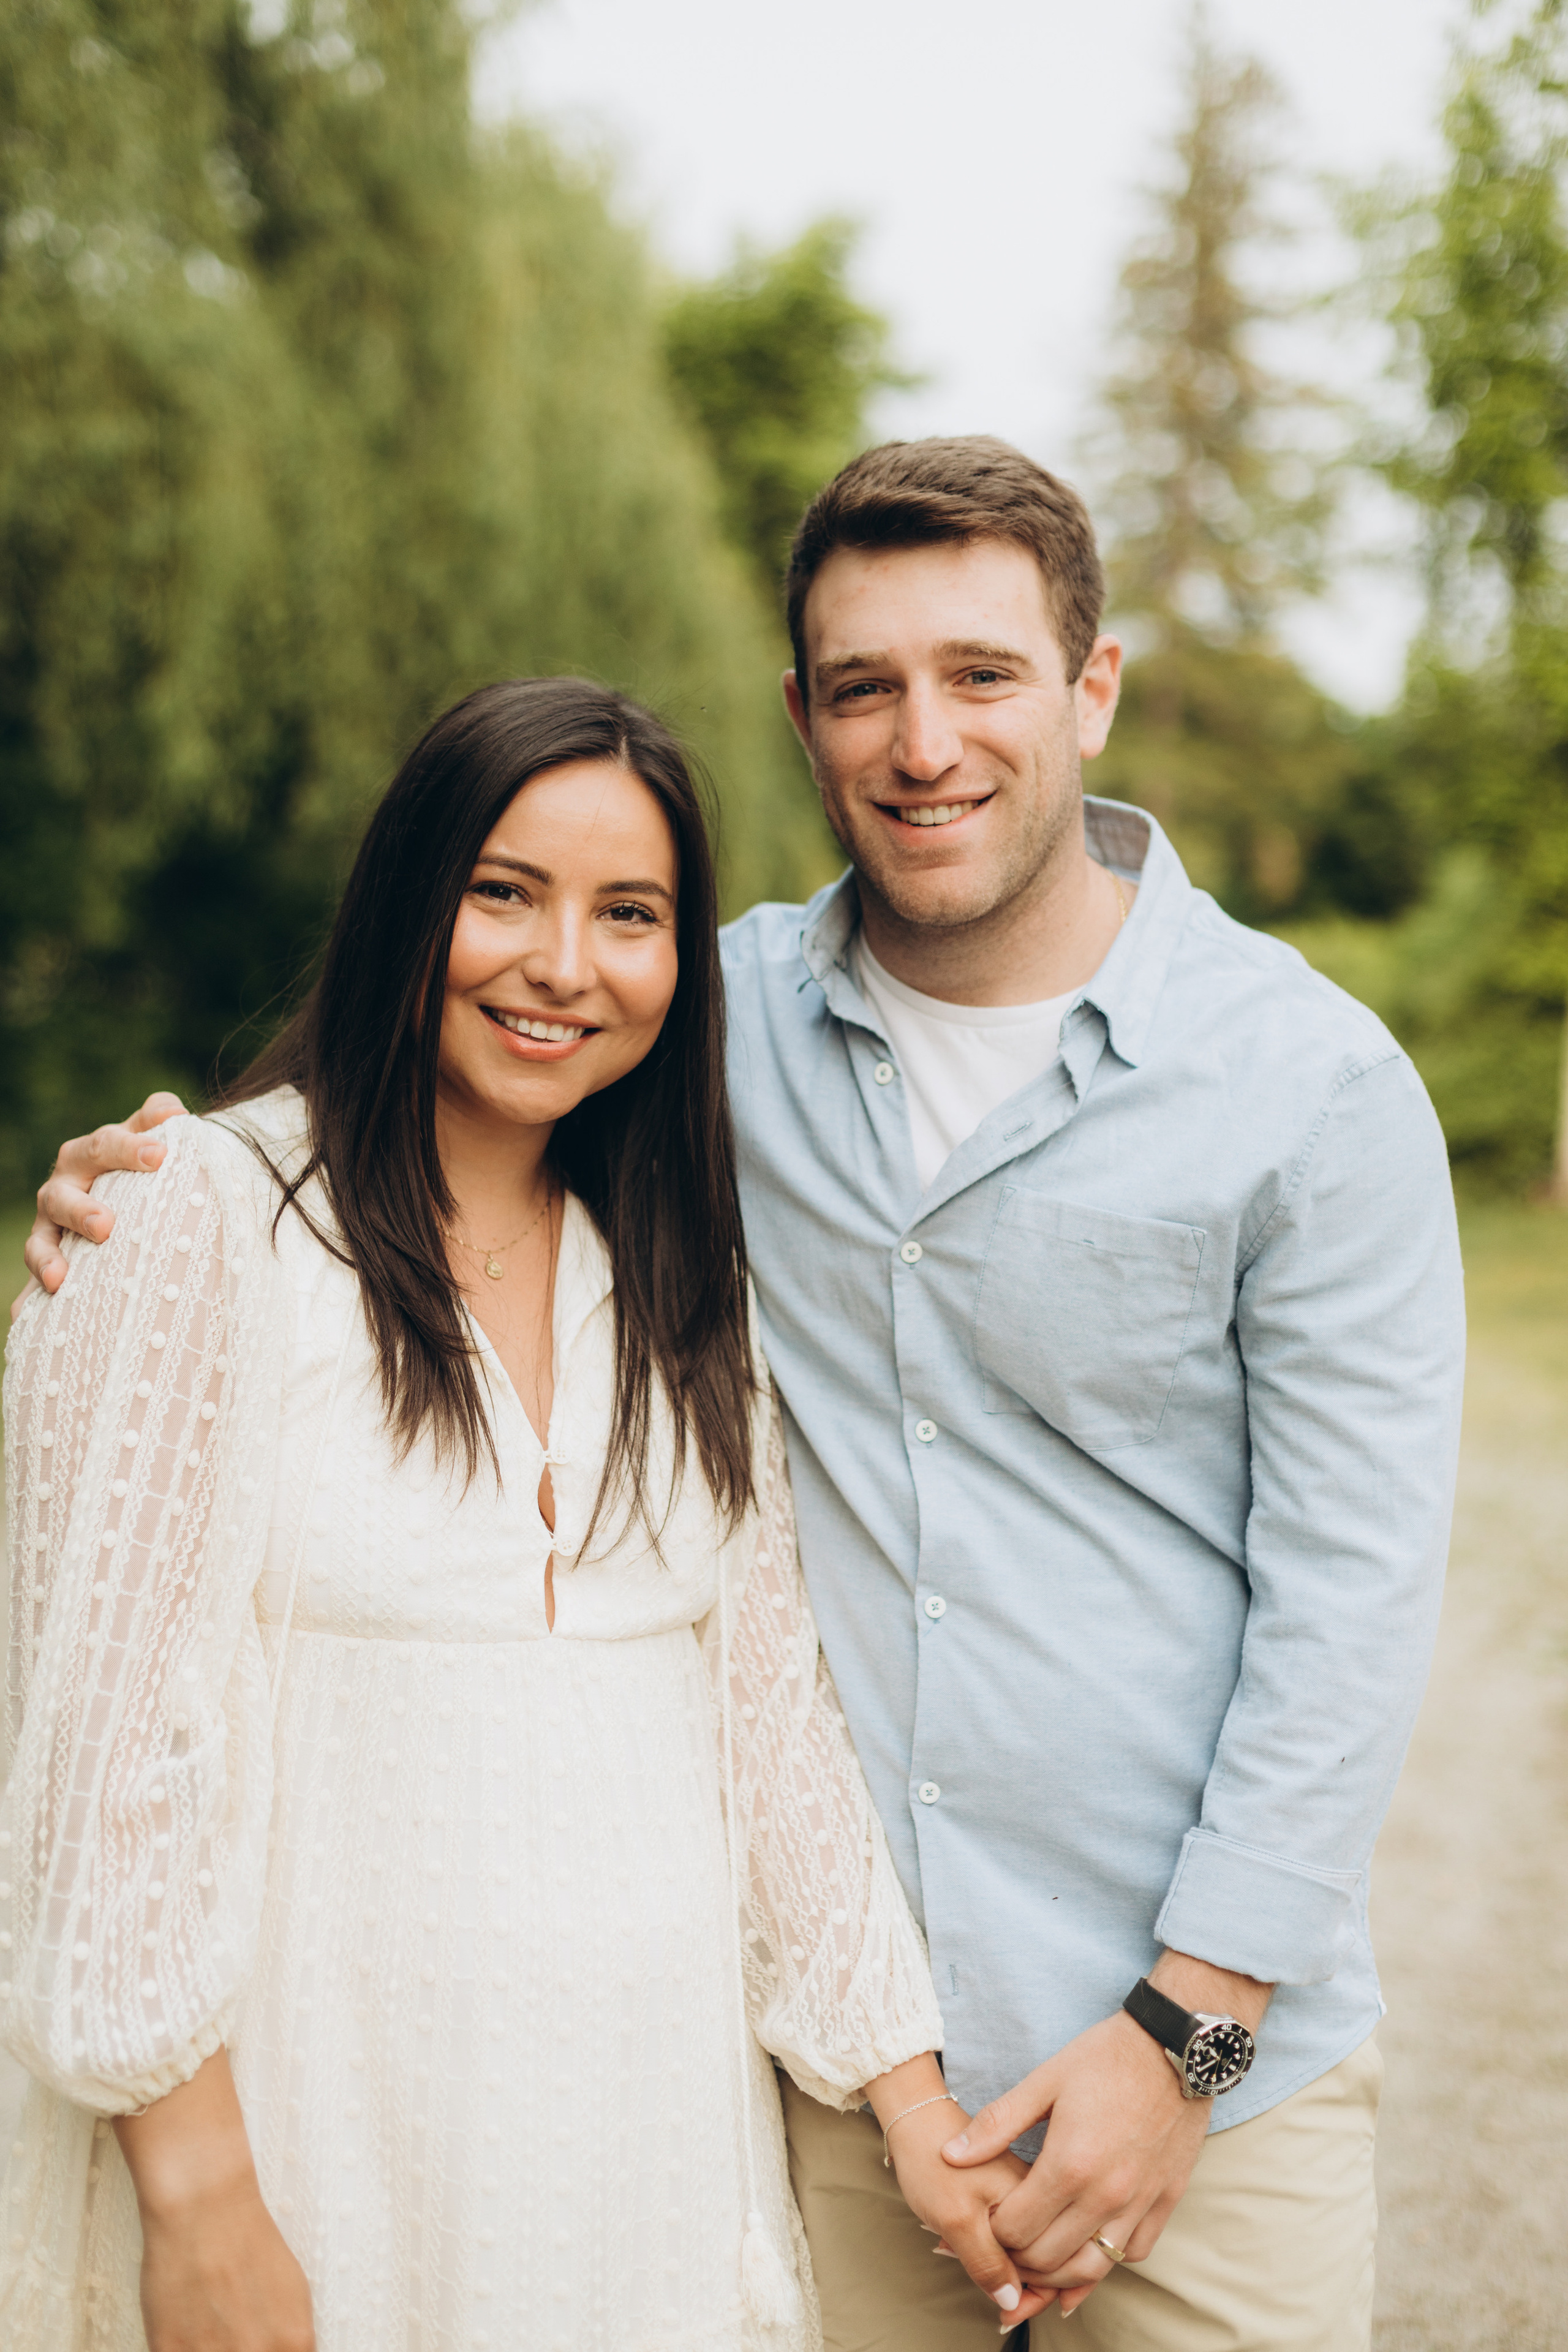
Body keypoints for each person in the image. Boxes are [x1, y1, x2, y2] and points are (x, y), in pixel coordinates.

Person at [21, 438, 1468, 2352]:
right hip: (822, 2112)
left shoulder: (1314, 1088)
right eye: (864, 686)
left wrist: (1185, 2034)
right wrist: (142, 1183)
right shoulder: (702, 1036)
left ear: (1093, 686)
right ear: (803, 717)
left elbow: (1350, 1611)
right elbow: (431, 1093)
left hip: (1197, 2089)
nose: (922, 740)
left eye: (982, 675)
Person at [0, 676, 1048, 2352]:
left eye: (629, 915)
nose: (565, 965)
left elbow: (772, 1736)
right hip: (307, 2144)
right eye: (505, 893)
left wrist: (915, 2115)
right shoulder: (197, 1222)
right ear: (408, 898)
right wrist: (197, 2194)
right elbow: (104, 1752)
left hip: (632, 2168)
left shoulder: (686, 1288)